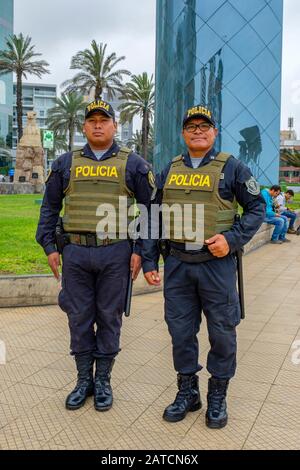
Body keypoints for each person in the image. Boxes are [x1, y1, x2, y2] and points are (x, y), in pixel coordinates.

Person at [142, 104, 265, 429]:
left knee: (222, 333)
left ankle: (217, 396)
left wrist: (233, 239)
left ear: (214, 132)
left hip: (216, 266)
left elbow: (257, 208)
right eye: (191, 126)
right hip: (179, 265)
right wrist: (149, 259)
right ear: (183, 133)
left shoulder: (233, 168)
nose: (198, 130)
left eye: (204, 126)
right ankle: (188, 392)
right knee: (181, 333)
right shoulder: (169, 169)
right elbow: (152, 215)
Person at [36, 99, 153, 412]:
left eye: (104, 120)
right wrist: (49, 246)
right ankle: (82, 380)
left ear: (114, 125)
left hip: (116, 252)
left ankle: (103, 380)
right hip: (75, 252)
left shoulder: (134, 164)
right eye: (92, 121)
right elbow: (49, 207)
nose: (98, 125)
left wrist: (141, 250)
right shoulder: (64, 163)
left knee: (109, 316)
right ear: (84, 126)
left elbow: (149, 211)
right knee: (79, 317)